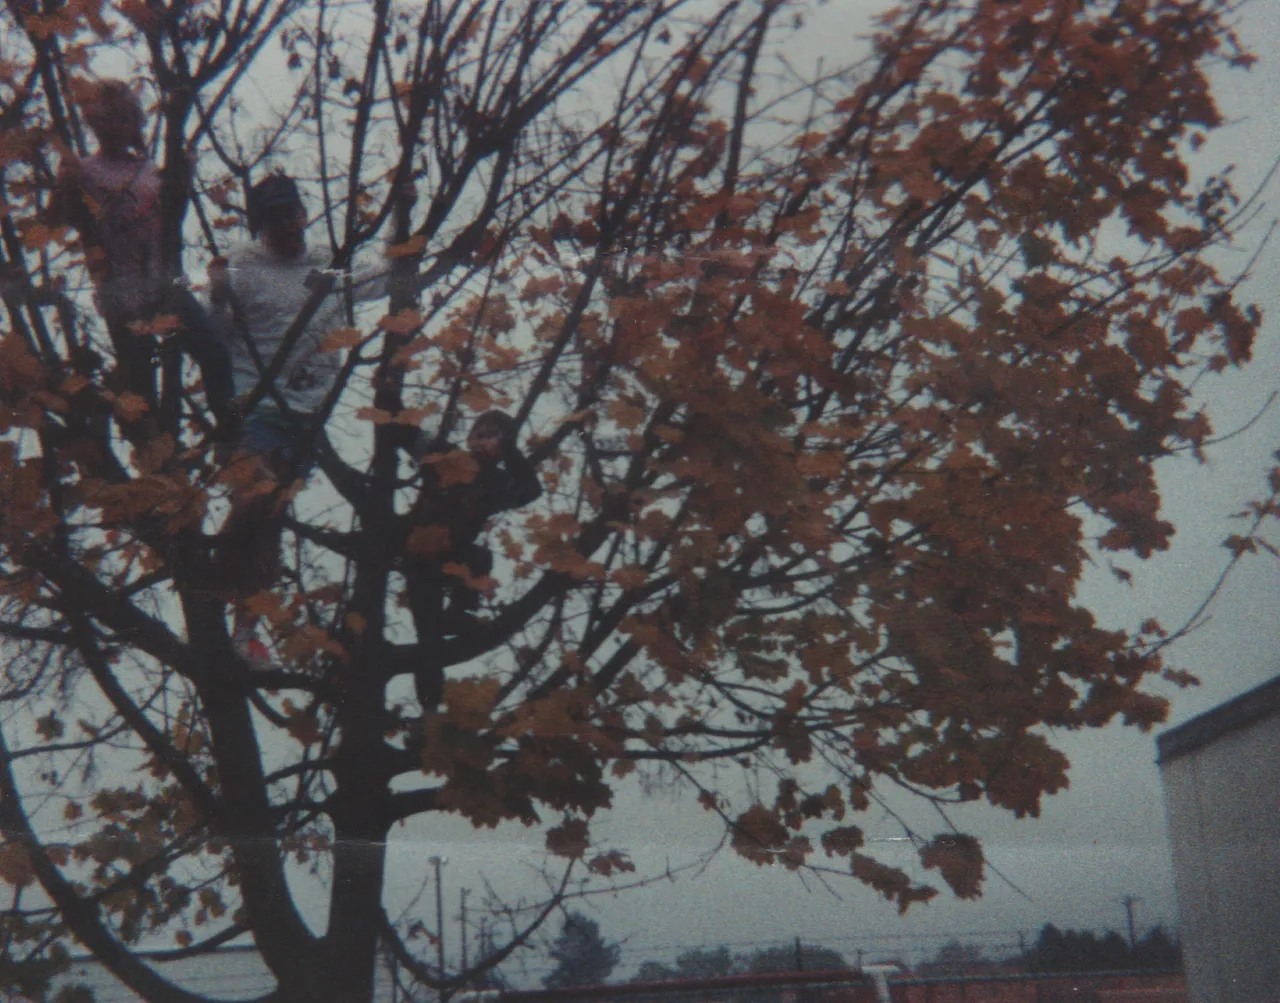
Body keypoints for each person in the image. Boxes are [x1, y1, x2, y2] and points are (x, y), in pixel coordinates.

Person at [209, 172, 390, 667]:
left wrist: (404, 216)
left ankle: (243, 634)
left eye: (293, 213)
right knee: (255, 497)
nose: (289, 225)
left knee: (272, 522)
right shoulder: (243, 266)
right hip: (255, 403)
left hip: (308, 414)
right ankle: (210, 580)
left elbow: (385, 277)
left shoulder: (326, 263)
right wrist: (218, 297)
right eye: (276, 218)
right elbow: (215, 338)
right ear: (259, 225)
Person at [45, 79, 236, 430]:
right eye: (105, 120)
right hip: (122, 290)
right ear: (94, 124)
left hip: (163, 284)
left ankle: (229, 430)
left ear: (135, 123)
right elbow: (56, 220)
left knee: (215, 352)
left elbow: (171, 220)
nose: (115, 128)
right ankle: (151, 452)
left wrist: (185, 174)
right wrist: (64, 184)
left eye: (123, 119)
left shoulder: (149, 170)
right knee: (141, 389)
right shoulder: (86, 170)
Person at [403, 410, 542, 656]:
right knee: (426, 629)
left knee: (480, 558)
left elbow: (530, 490)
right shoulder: (448, 457)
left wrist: (511, 453)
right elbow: (407, 436)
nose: (481, 439)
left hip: (451, 556)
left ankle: (458, 614)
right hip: (415, 545)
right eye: (477, 433)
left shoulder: (496, 481)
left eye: (491, 436)